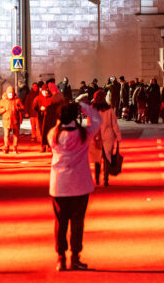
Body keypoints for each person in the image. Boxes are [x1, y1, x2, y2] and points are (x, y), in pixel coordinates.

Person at [48, 100, 101, 272]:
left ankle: (60, 258)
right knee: (77, 222)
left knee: (60, 222)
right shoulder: (83, 134)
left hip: (59, 185)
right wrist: (84, 107)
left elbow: (56, 128)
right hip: (80, 185)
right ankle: (76, 257)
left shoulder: (53, 134)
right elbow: (97, 120)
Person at [87, 90, 121, 187]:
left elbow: (90, 124)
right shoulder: (109, 110)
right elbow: (114, 124)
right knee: (107, 158)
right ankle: (106, 179)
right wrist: (118, 136)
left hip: (96, 136)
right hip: (108, 136)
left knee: (97, 159)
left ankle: (97, 178)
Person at [0, 86, 25, 153]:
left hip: (15, 120)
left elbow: (23, 107)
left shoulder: (17, 100)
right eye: (9, 94)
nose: (10, 95)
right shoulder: (3, 101)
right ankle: (6, 147)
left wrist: (17, 108)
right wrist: (3, 110)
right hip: (7, 120)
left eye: (11, 94)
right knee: (6, 135)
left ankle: (15, 147)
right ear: (7, 94)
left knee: (15, 135)